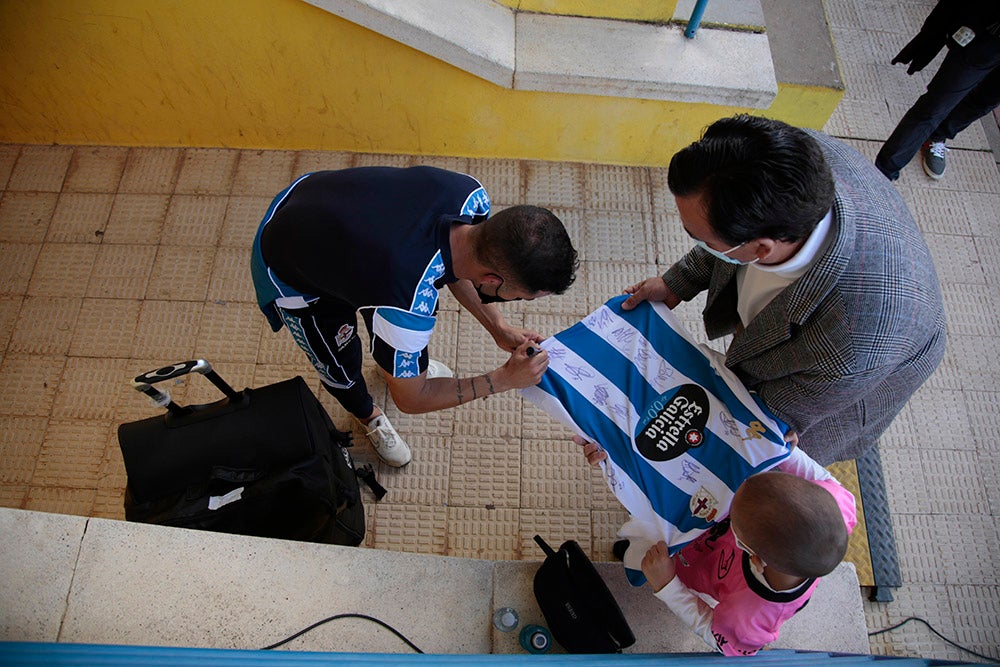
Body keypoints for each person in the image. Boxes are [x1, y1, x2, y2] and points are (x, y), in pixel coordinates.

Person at [622, 114, 946, 465]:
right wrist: (675, 282)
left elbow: (759, 410)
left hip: (857, 372)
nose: (696, 242)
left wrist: (634, 431)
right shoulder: (788, 160)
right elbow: (721, 243)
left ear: (762, 249)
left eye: (698, 237)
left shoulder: (852, 340)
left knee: (762, 461)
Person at [251, 166, 578, 467]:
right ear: (493, 281)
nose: (518, 300)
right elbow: (412, 398)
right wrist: (504, 379)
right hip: (290, 258)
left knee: (387, 324)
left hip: (321, 200)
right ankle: (368, 415)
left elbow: (462, 266)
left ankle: (390, 363)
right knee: (338, 363)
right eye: (521, 296)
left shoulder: (469, 195)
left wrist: (498, 327)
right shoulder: (405, 304)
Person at [579, 439, 857, 657]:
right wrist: (785, 450)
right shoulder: (838, 505)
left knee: (648, 548)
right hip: (696, 516)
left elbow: (717, 636)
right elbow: (819, 475)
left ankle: (636, 546)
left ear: (755, 559)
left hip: (692, 560)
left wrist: (668, 585)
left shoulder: (750, 618)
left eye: (735, 517)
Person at [875, 0, 1000, 181]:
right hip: (987, 37)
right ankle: (882, 175)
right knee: (936, 105)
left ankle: (938, 136)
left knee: (983, 102)